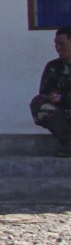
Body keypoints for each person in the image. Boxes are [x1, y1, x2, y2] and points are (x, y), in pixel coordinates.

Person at [30, 26, 71, 158]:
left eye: (62, 44)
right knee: (38, 103)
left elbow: (59, 97)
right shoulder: (53, 67)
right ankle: (68, 142)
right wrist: (55, 98)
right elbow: (46, 94)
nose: (58, 48)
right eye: (56, 44)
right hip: (62, 115)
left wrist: (61, 98)